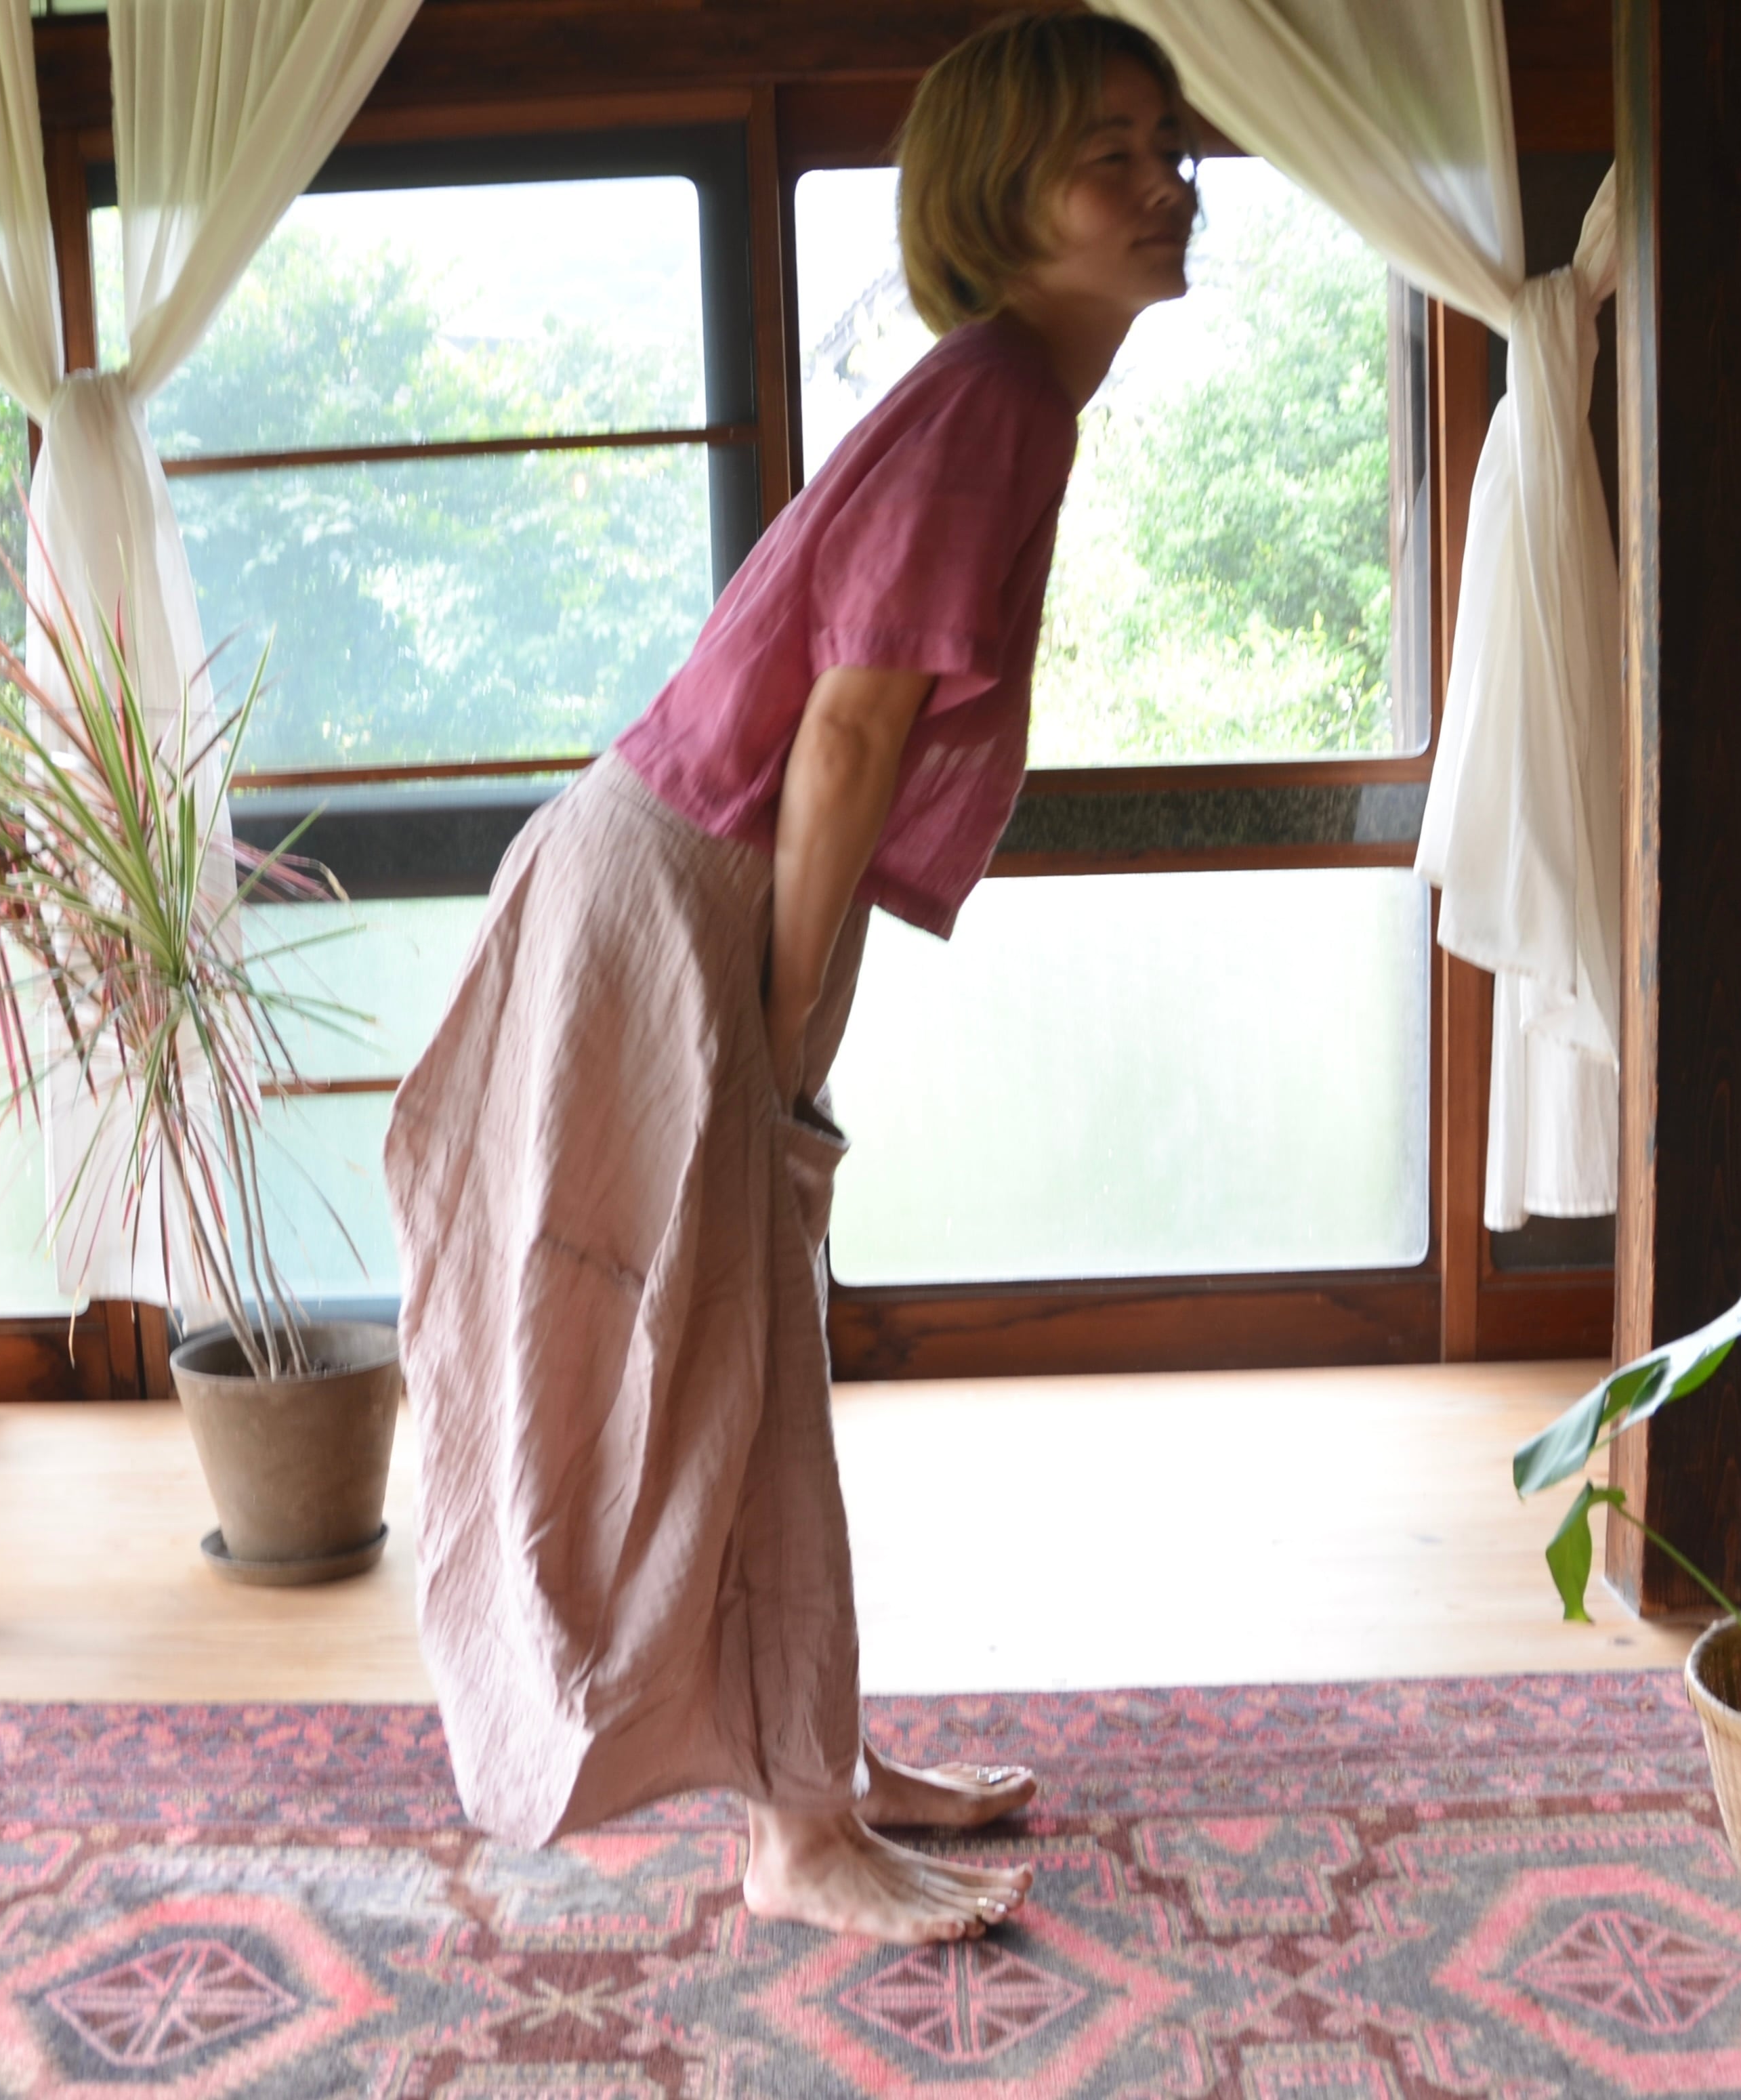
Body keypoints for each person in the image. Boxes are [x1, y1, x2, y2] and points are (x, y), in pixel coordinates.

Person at [386, 15, 1196, 1946]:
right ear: (1001, 199)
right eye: (1110, 153)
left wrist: (790, 1026)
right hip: (682, 890)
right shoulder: (997, 394)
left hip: (683, 878)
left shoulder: (1011, 397)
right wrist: (782, 1029)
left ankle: (806, 1762)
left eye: (1170, 146)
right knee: (725, 1338)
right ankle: (795, 1833)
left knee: (757, 1333)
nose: (1167, 186)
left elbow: (855, 730)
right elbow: (846, 731)